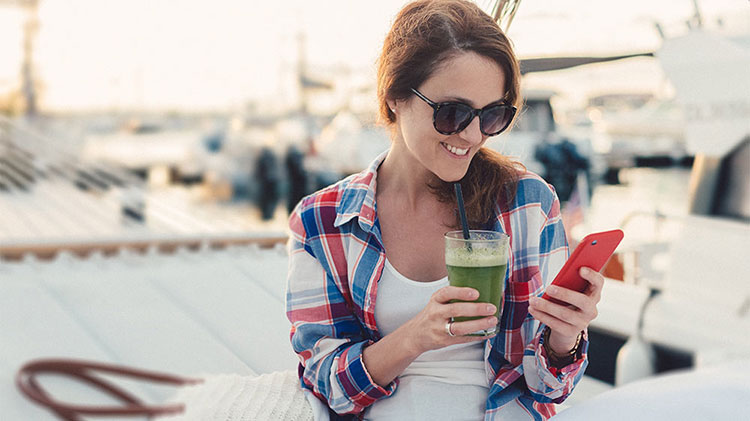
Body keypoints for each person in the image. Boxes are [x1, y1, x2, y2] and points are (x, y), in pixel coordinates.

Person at [285, 1, 603, 419]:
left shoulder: (527, 204)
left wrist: (565, 338)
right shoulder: (321, 221)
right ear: (395, 96)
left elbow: (548, 389)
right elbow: (327, 384)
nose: (472, 135)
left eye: (492, 115)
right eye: (452, 113)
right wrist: (418, 335)